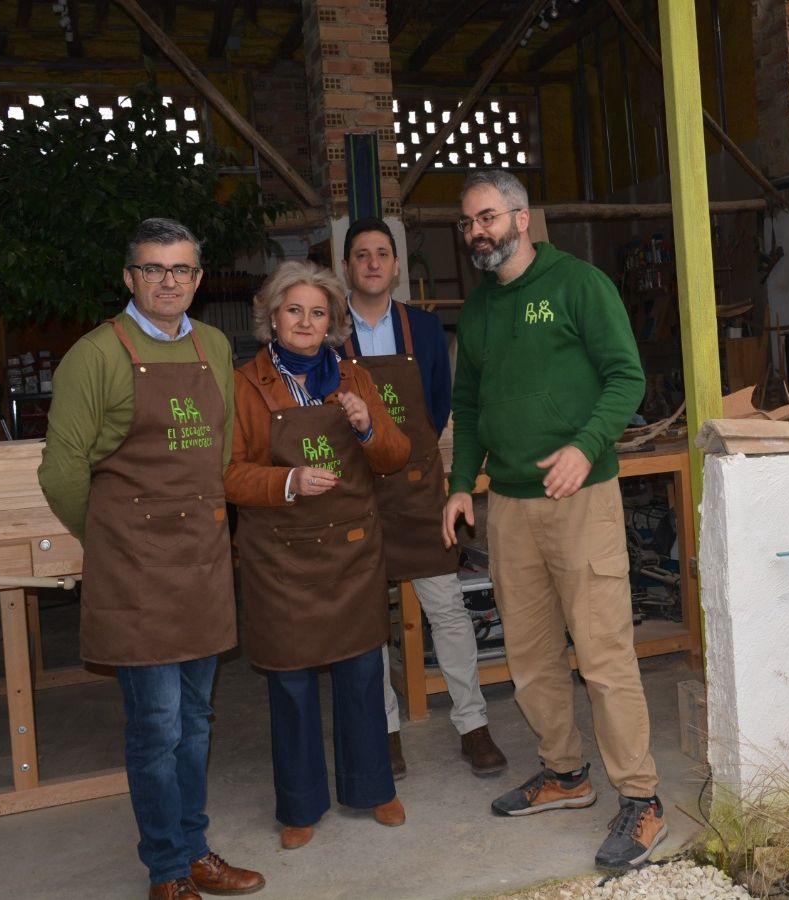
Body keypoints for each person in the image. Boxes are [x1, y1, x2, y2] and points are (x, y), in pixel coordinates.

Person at [440, 172, 666, 872]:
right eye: (467, 223)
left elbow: (627, 377)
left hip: (580, 498)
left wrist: (583, 444)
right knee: (532, 657)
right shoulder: (476, 312)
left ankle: (642, 796)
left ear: (522, 218)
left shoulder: (579, 285)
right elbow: (470, 406)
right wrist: (458, 487)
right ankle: (565, 773)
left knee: (602, 654)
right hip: (507, 505)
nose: (477, 231)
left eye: (486, 218)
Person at [38, 218, 264, 900]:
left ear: (198, 279)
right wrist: (108, 538)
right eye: (155, 269)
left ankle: (196, 851)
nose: (170, 281)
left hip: (199, 561)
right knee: (157, 726)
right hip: (134, 571)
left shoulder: (214, 344)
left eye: (183, 270)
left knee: (196, 722)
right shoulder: (95, 355)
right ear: (130, 276)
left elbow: (220, 451)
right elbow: (62, 472)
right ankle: (167, 869)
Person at [224, 260, 411, 852]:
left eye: (318, 312)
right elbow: (226, 474)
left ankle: (371, 787)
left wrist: (364, 429)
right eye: (294, 310)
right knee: (292, 685)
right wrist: (287, 482)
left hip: (350, 553)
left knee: (361, 674)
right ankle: (300, 804)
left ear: (333, 321)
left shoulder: (353, 378)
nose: (306, 321)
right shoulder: (245, 384)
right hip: (280, 559)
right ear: (272, 317)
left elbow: (396, 456)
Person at [341, 218, 508, 779]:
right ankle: (383, 732)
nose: (371, 263)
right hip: (353, 493)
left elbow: (437, 406)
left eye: (381, 254)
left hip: (416, 492)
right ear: (347, 268)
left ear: (395, 266)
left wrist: (408, 460)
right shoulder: (329, 331)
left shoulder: (424, 330)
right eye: (361, 254)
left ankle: (473, 724)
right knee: (366, 621)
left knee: (448, 611)